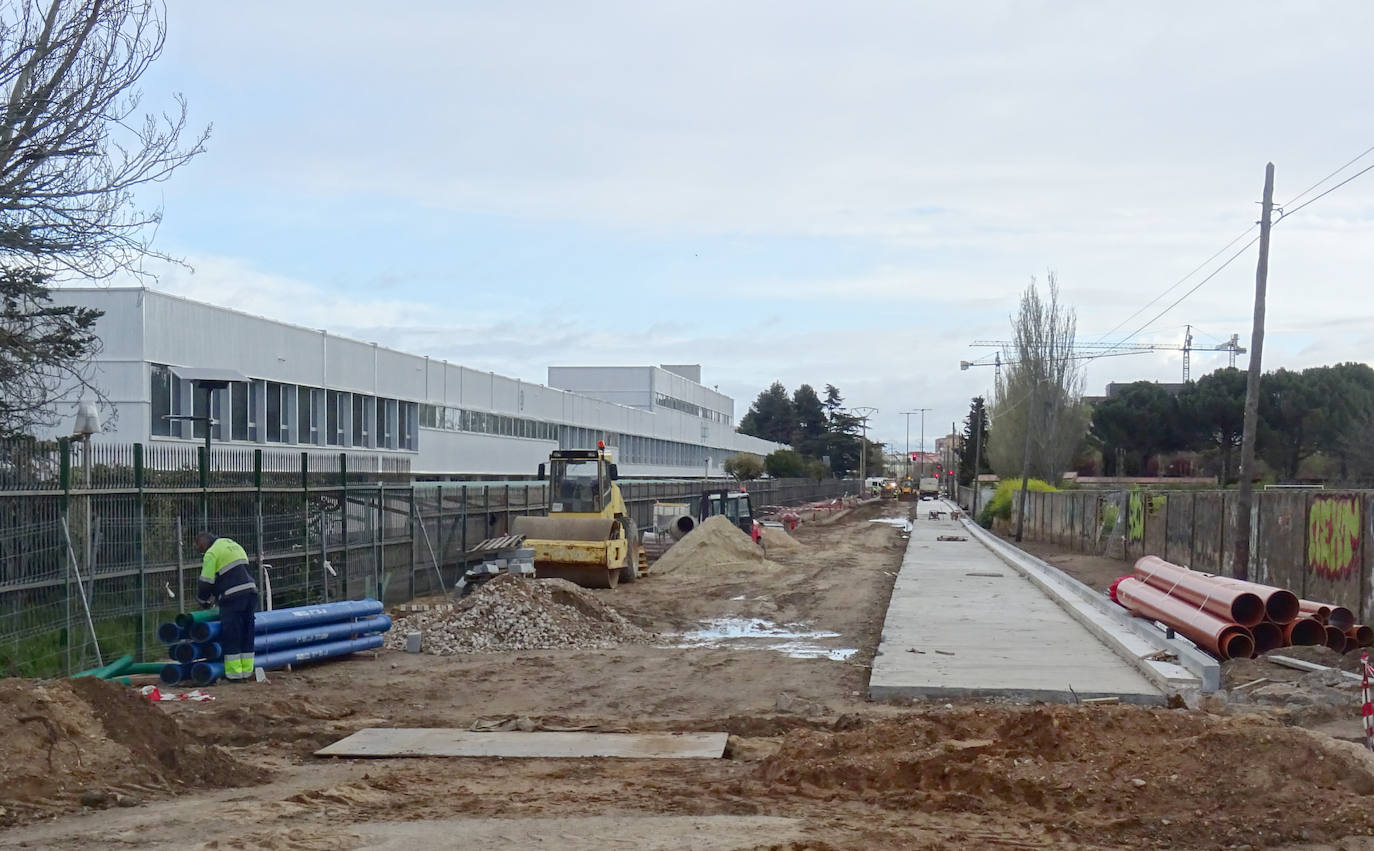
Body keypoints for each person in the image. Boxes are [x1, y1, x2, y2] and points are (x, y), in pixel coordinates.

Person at [195, 532, 259, 683]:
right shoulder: (231, 543)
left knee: (232, 635)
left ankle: (234, 676)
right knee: (246, 633)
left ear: (203, 543)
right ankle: (246, 672)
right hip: (250, 593)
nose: (199, 550)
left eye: (198, 547)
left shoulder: (211, 553)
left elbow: (206, 582)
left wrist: (203, 601)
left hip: (233, 597)